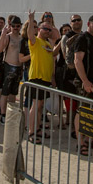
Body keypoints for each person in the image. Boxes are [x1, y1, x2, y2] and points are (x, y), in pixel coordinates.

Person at [72, 14, 93, 156]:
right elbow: (77, 60)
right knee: (82, 111)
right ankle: (80, 143)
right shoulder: (83, 38)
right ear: (88, 24)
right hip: (86, 83)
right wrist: (85, 81)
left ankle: (90, 139)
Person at [24, 10, 59, 142]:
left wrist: (58, 38)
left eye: (49, 30)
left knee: (40, 106)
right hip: (37, 78)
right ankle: (31, 132)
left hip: (45, 79)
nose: (48, 31)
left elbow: (54, 51)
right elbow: (30, 35)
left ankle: (37, 128)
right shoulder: (36, 42)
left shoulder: (48, 43)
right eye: (45, 29)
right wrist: (31, 18)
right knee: (36, 105)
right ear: (39, 29)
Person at [0, 15, 28, 123]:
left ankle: (11, 113)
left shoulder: (22, 38)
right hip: (8, 66)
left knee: (13, 93)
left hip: (18, 68)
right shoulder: (8, 37)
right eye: (13, 26)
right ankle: (3, 114)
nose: (15, 28)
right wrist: (3, 34)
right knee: (5, 92)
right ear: (10, 26)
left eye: (18, 26)